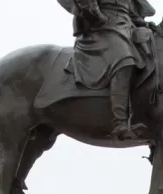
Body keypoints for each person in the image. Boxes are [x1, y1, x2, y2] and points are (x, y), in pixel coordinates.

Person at [66, 0, 156, 140]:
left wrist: (142, 23)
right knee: (124, 60)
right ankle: (120, 122)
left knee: (156, 53)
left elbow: (131, 12)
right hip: (101, 28)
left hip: (126, 27)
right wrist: (95, 14)